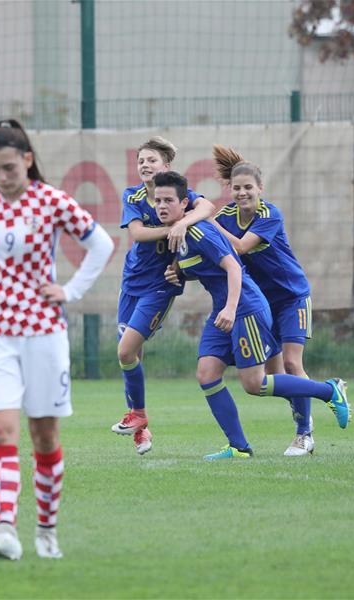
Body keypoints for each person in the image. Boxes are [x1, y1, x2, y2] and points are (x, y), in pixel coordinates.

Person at [0, 119, 113, 559]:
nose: (0, 178)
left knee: (45, 437)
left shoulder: (52, 200)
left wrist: (70, 291)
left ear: (27, 160)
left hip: (42, 333)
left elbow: (102, 245)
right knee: (1, 430)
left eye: (8, 168)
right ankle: (6, 532)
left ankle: (47, 531)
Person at [157, 171, 350, 460]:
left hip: (245, 306)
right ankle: (239, 447)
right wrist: (179, 271)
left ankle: (327, 391)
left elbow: (234, 266)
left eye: (167, 200)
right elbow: (207, 265)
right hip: (229, 307)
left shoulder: (200, 229)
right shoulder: (186, 232)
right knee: (207, 373)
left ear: (184, 204)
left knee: (257, 382)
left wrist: (231, 309)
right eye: (157, 200)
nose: (161, 206)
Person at [210, 145, 316, 456]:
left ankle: (304, 433)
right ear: (230, 189)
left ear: (261, 189)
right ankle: (324, 394)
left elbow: (240, 247)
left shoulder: (270, 214)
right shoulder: (226, 215)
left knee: (294, 363)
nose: (242, 193)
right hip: (262, 305)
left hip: (292, 297)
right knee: (274, 378)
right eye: (237, 188)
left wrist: (207, 219)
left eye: (248, 188)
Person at [113, 136, 216, 455]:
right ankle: (140, 429)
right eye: (141, 160)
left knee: (126, 351)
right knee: (132, 357)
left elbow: (208, 207)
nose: (145, 165)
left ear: (166, 166)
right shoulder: (133, 195)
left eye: (152, 160)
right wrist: (172, 229)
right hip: (131, 283)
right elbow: (138, 233)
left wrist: (182, 223)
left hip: (160, 286)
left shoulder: (175, 195)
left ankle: (139, 416)